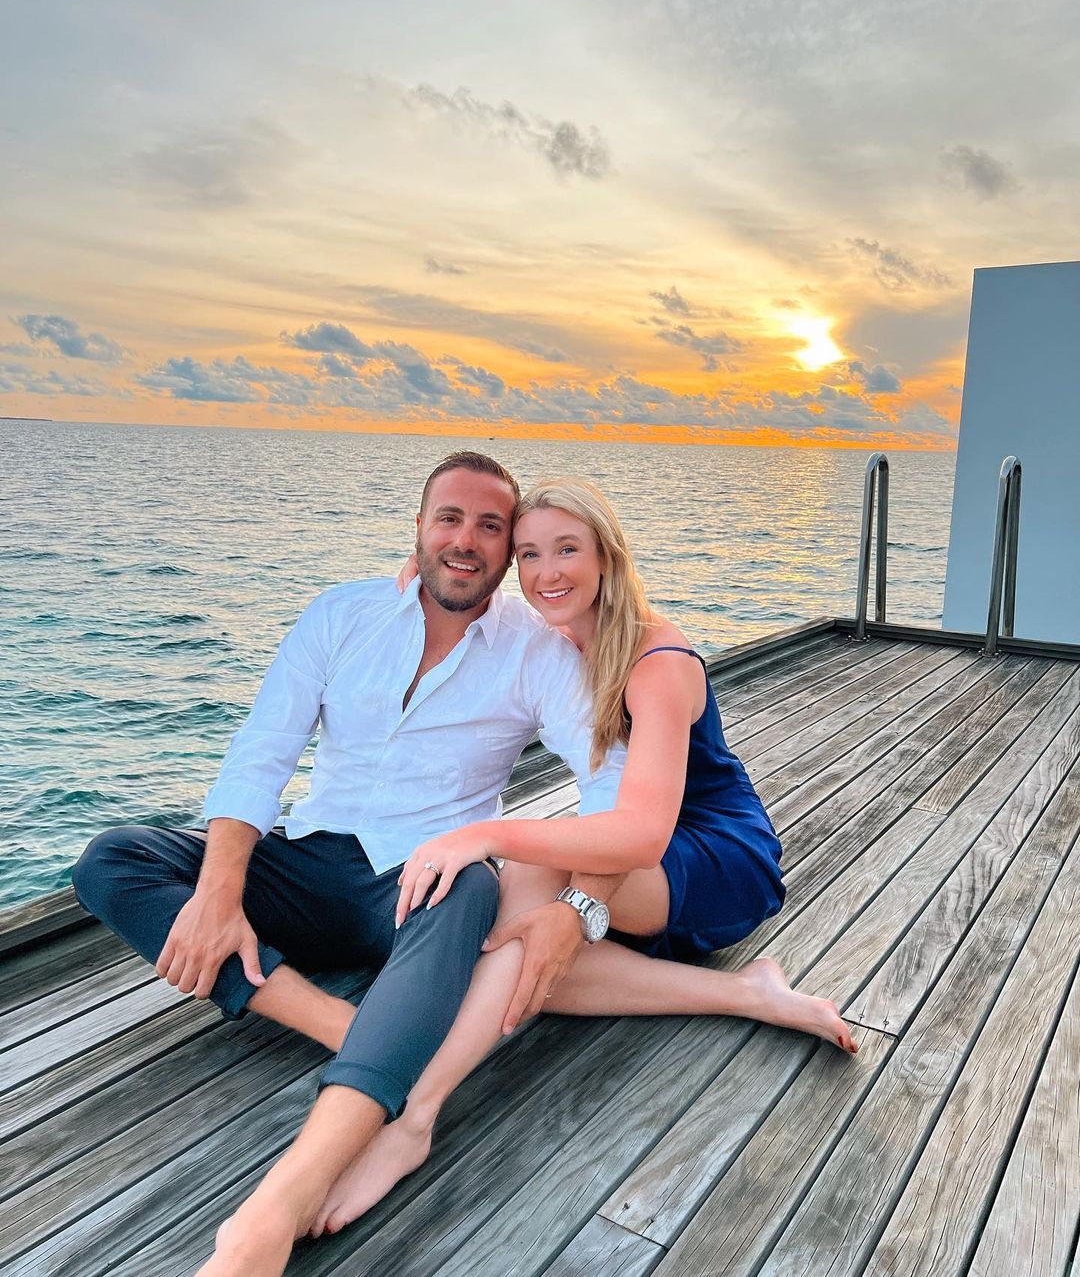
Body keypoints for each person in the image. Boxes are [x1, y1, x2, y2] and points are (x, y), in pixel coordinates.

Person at [71, 452, 630, 1277]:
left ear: (508, 550)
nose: (466, 541)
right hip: (304, 861)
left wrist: (576, 909)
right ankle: (344, 1026)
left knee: (470, 887)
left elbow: (613, 791)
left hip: (417, 887)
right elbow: (262, 753)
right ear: (418, 526)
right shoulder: (341, 614)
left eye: (490, 527)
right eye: (450, 518)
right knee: (113, 859)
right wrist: (221, 894)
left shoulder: (536, 652)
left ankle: (278, 1205)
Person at [309, 476, 857, 1236]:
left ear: (606, 556)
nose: (547, 572)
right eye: (530, 555)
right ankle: (748, 995)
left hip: (712, 853)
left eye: (567, 550)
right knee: (526, 947)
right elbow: (458, 596)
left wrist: (486, 834)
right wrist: (414, 581)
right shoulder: (558, 637)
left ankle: (416, 1117)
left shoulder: (658, 661)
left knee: (523, 889)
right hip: (632, 851)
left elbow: (643, 834)